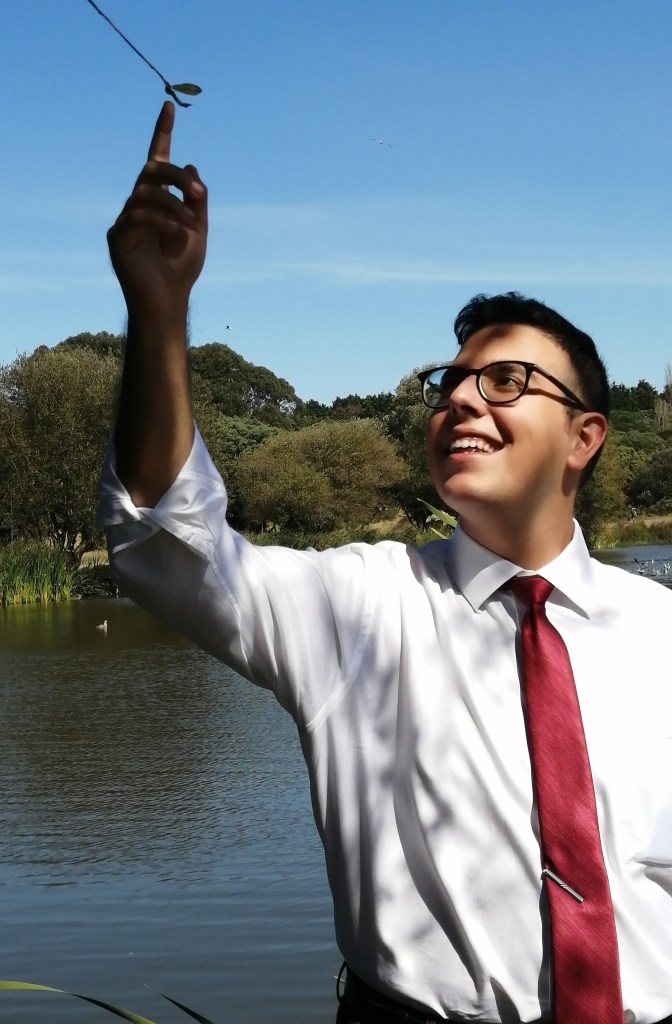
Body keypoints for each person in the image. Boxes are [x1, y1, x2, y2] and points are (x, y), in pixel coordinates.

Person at [97, 102, 672, 1024]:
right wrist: (158, 314)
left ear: (585, 437)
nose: (462, 401)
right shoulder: (360, 606)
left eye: (506, 381)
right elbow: (166, 542)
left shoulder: (660, 631)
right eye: (450, 384)